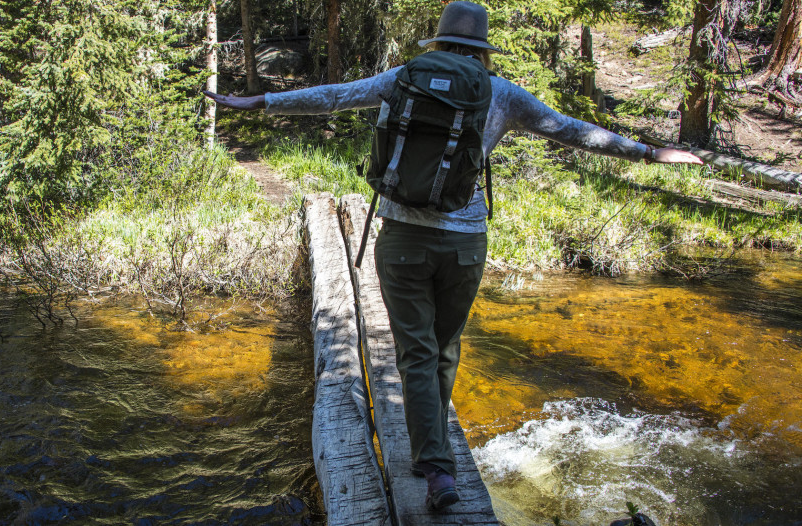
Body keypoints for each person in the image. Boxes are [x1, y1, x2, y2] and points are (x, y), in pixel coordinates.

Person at [205, 1, 702, 512]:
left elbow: (333, 97)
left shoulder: (405, 78)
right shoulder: (500, 93)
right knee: (443, 348)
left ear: (439, 42)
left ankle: (435, 467)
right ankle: (436, 457)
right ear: (482, 48)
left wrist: (261, 101)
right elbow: (571, 130)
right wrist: (646, 152)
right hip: (465, 245)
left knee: (416, 353)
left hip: (402, 241)